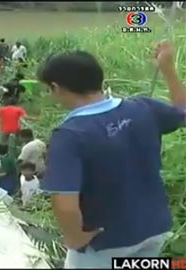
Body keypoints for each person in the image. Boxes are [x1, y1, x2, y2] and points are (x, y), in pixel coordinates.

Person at [38, 41, 185, 268]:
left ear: (57, 87)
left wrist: (75, 238)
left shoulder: (69, 135)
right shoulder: (143, 107)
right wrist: (168, 69)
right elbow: (182, 113)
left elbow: (65, 204)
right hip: (155, 229)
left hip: (106, 242)